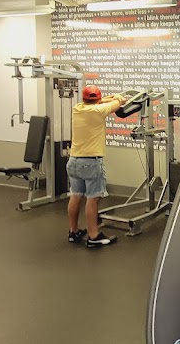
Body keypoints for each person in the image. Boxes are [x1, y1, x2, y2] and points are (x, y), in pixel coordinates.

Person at [66, 85, 125, 248]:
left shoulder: (78, 108)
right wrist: (119, 98)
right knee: (92, 199)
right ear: (98, 99)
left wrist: (110, 97)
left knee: (75, 195)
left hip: (74, 161)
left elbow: (101, 102)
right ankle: (93, 236)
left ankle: (73, 231)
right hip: (91, 162)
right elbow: (118, 104)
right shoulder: (99, 111)